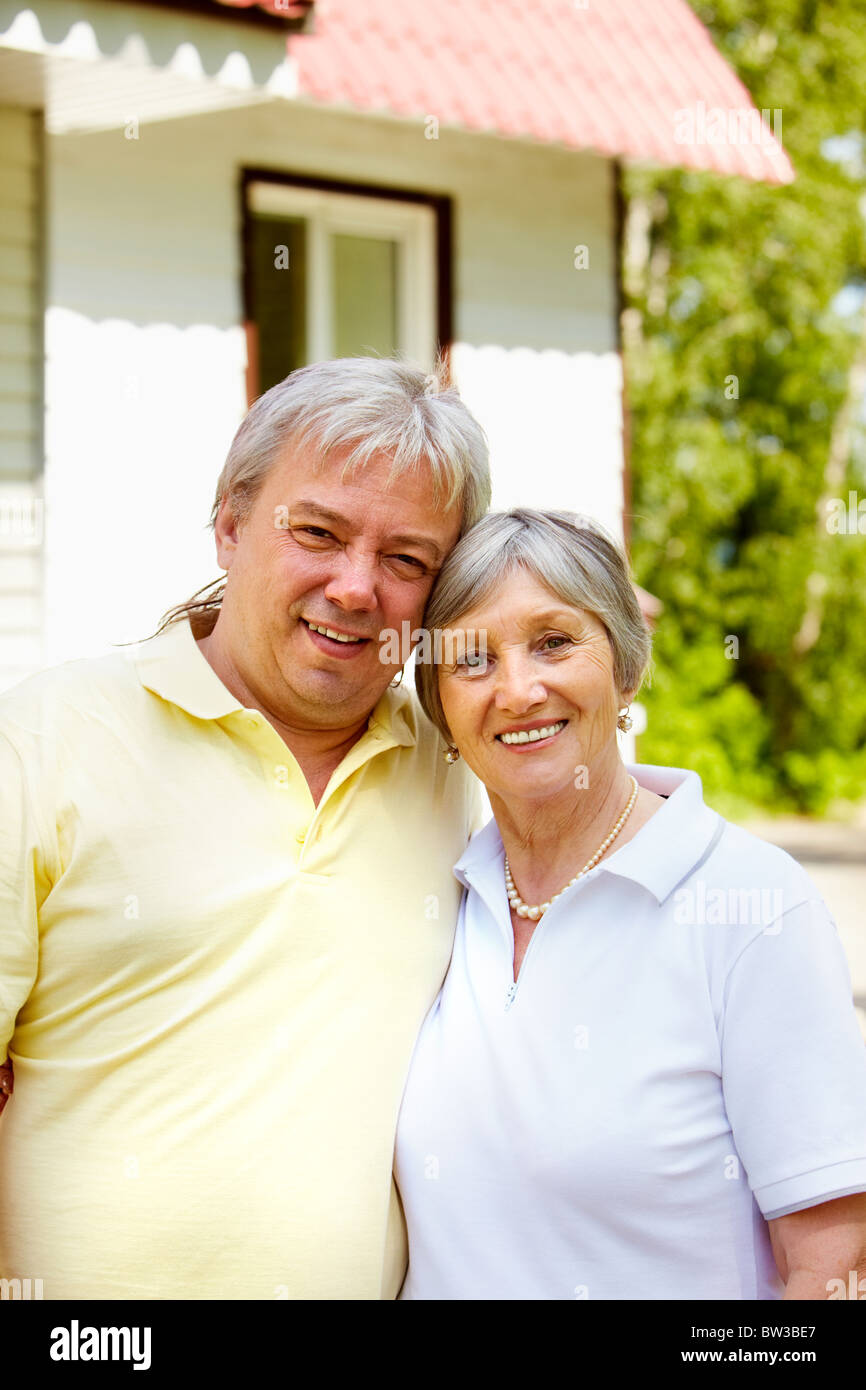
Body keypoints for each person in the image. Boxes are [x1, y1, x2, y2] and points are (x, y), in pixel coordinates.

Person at [0, 356, 490, 1299]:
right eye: (318, 532)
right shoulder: (45, 740)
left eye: (406, 560)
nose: (356, 588)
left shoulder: (457, 771)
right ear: (229, 523)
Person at [395, 507, 866, 1300]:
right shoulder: (445, 895)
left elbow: (833, 1271)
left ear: (626, 668)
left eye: (554, 642)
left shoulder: (753, 909)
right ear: (440, 708)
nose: (518, 689)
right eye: (472, 659)